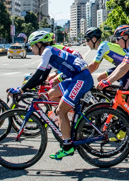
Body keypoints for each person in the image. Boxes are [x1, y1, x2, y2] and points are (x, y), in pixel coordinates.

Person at [17, 30, 92, 160]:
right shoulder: (50, 52)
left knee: (60, 111)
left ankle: (67, 146)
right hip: (76, 77)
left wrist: (22, 89)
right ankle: (70, 119)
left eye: (32, 45)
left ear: (40, 44)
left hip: (81, 78)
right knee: (52, 93)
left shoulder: (47, 51)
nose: (31, 48)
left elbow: (37, 74)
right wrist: (31, 86)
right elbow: (43, 76)